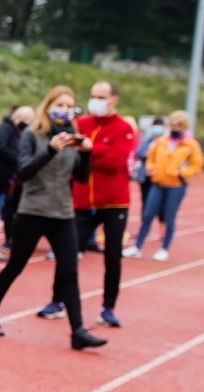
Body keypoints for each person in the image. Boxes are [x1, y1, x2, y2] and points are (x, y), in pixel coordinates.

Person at [0, 86, 106, 350]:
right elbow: (23, 172)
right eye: (59, 104)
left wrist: (86, 153)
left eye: (70, 106)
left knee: (69, 271)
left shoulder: (73, 136)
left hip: (62, 212)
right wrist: (49, 150)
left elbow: (82, 178)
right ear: (48, 106)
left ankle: (78, 331)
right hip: (33, 210)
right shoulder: (32, 135)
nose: (64, 110)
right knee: (16, 265)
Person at [34, 80, 135, 327]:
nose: (96, 101)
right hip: (81, 201)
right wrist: (87, 149)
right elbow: (70, 155)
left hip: (114, 202)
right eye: (93, 96)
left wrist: (88, 149)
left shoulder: (123, 128)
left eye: (101, 97)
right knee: (67, 254)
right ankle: (57, 301)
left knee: (112, 256)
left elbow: (116, 160)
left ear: (114, 100)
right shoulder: (83, 124)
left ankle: (108, 307)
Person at [127, 110, 204, 261]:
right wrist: (150, 166)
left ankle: (164, 249)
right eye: (172, 124)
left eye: (178, 125)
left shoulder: (190, 144)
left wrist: (183, 173)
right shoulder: (162, 140)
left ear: (183, 126)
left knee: (169, 217)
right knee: (148, 214)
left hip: (176, 186)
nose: (174, 127)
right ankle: (137, 247)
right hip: (158, 183)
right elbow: (150, 154)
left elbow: (197, 163)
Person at [0, 105, 32, 260]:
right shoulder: (4, 130)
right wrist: (18, 157)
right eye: (28, 120)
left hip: (6, 181)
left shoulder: (19, 133)